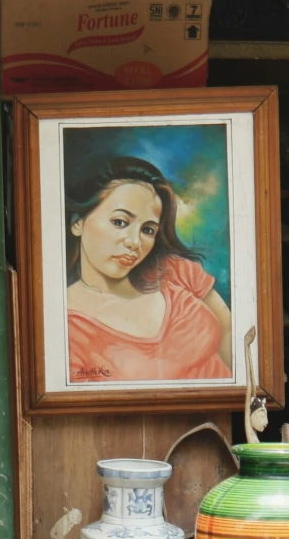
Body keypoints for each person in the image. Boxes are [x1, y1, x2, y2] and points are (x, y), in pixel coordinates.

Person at [62, 154, 230, 384]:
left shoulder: (173, 269)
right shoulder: (65, 325)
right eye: (120, 222)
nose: (135, 242)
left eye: (148, 230)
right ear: (77, 223)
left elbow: (233, 333)